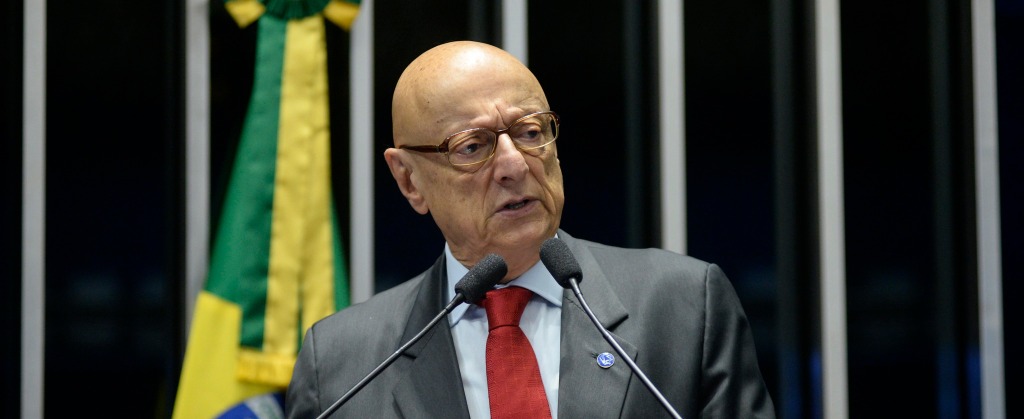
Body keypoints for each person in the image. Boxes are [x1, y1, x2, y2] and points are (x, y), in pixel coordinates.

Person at [286, 40, 775, 418]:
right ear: (409, 180)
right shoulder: (341, 364)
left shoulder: (684, 307)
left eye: (530, 132)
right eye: (472, 146)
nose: (514, 165)